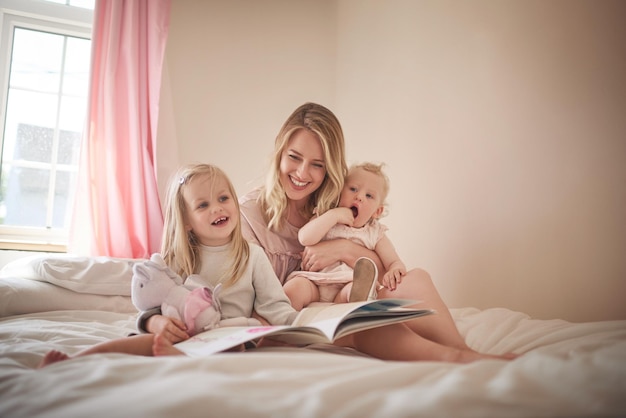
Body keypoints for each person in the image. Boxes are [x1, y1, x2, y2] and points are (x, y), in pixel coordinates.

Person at [238, 102, 516, 362]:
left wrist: (344, 250)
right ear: (279, 154)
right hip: (294, 314)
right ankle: (458, 359)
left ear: (330, 168)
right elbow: (238, 290)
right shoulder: (249, 214)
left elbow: (380, 277)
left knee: (414, 279)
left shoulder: (335, 201)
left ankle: (463, 349)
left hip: (340, 292)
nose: (302, 172)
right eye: (294, 157)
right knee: (360, 321)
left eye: (317, 164)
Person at [39, 163, 298, 366]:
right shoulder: (178, 260)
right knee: (142, 343)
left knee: (239, 347)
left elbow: (275, 305)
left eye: (223, 199)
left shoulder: (253, 256)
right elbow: (152, 305)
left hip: (229, 335)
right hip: (186, 335)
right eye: (203, 205)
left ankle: (183, 359)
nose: (217, 209)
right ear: (186, 221)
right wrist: (156, 324)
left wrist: (302, 327)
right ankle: (77, 360)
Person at [283, 162, 406, 310]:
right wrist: (334, 215)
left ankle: (348, 319)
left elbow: (393, 262)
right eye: (353, 189)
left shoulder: (374, 233)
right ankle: (285, 327)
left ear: (377, 212)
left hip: (347, 285)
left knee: (358, 291)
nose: (359, 197)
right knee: (293, 288)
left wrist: (395, 269)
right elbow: (304, 238)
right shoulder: (327, 217)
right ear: (340, 192)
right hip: (315, 282)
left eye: (369, 195)